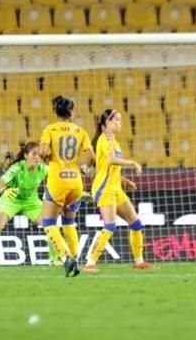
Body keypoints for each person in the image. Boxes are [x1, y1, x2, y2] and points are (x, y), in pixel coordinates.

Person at [0, 142, 59, 269]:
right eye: (34, 154)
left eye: (39, 155)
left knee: (51, 226)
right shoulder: (17, 168)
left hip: (31, 202)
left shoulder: (43, 169)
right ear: (26, 155)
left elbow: (59, 179)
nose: (37, 157)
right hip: (11, 200)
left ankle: (54, 260)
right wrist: (5, 190)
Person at [83, 109, 149, 272]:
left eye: (120, 120)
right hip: (104, 189)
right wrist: (132, 163)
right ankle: (90, 263)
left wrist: (124, 180)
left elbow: (106, 168)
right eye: (117, 120)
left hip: (115, 188)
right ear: (106, 123)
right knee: (110, 226)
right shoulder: (105, 138)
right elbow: (112, 160)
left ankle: (139, 261)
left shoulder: (114, 141)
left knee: (135, 223)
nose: (120, 123)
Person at [38, 95, 95, 277]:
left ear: (56, 111)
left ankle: (65, 257)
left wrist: (48, 157)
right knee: (69, 222)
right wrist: (84, 169)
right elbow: (91, 156)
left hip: (57, 181)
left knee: (48, 222)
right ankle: (75, 257)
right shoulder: (80, 131)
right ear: (71, 111)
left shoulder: (50, 129)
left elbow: (43, 151)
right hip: (76, 183)